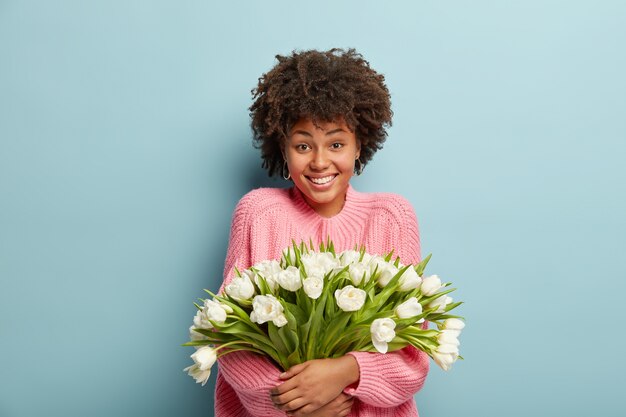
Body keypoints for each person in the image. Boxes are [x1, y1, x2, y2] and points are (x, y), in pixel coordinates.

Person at [215, 48, 429, 417]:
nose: (319, 161)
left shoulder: (392, 217)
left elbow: (413, 351)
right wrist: (296, 402)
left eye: (336, 143)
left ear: (359, 145)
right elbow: (228, 338)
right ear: (283, 148)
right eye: (302, 145)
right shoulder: (258, 213)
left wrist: (347, 371)